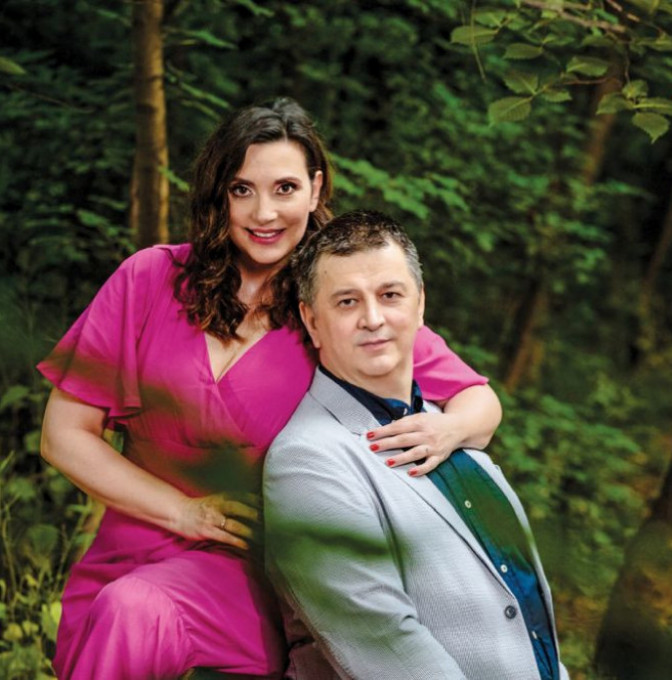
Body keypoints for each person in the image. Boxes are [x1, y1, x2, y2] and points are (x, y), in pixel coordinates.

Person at [37, 99, 502, 679]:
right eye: (242, 190)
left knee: (137, 609)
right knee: (123, 608)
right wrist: (184, 513)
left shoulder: (334, 307)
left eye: (285, 189)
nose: (264, 213)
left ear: (315, 189)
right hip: (129, 548)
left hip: (258, 573)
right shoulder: (149, 279)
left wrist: (444, 430)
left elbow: (479, 403)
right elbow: (64, 434)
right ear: (220, 194)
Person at [264, 209, 569, 680]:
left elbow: (525, 615)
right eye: (347, 302)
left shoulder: (450, 428)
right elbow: (386, 644)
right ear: (312, 320)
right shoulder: (306, 461)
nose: (372, 319)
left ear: (420, 304)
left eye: (390, 295)